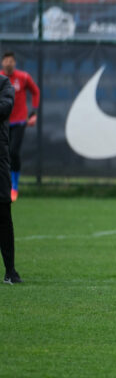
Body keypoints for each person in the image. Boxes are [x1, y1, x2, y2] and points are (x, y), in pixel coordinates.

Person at [0, 51, 40, 202]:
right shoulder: (1, 79)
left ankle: (14, 187)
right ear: (2, 63)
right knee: (3, 155)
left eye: (11, 61)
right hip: (3, 122)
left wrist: (33, 113)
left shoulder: (23, 77)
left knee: (13, 152)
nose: (8, 63)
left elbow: (35, 91)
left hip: (19, 121)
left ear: (14, 63)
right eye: (6, 61)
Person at [0, 74, 19, 283]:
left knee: (3, 213)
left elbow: (5, 108)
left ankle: (10, 271)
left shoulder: (4, 84)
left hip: (0, 160)